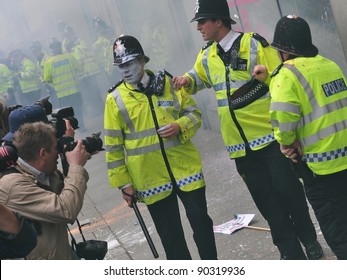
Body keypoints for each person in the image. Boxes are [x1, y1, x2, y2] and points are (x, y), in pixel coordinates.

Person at [173, 0, 322, 260]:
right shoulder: (207, 55)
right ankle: (290, 252)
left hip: (271, 139)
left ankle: (309, 240)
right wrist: (186, 80)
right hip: (240, 148)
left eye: (203, 21)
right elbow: (198, 78)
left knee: (290, 193)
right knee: (268, 204)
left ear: (218, 21)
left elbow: (282, 77)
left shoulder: (254, 44)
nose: (198, 27)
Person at [104, 35, 217, 260]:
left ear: (143, 61)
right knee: (171, 239)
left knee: (202, 225)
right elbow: (113, 147)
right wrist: (124, 184)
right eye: (121, 66)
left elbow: (194, 114)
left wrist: (179, 125)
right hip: (150, 178)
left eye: (130, 63)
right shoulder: (114, 99)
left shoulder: (169, 84)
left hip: (186, 170)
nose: (125, 70)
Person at [253, 15, 347, 260]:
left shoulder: (286, 74)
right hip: (344, 158)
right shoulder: (330, 64)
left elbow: (283, 121)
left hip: (319, 167)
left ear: (283, 50)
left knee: (338, 231)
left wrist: (286, 144)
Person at [0, 116, 90, 259]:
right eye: (56, 148)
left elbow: (67, 194)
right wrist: (76, 166)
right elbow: (66, 210)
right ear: (43, 153)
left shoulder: (43, 173)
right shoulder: (13, 185)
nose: (59, 152)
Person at [43, 37, 86, 130]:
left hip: (62, 93)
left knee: (67, 112)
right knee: (78, 109)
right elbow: (79, 68)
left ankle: (72, 127)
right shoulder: (69, 56)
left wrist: (55, 82)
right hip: (74, 89)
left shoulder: (49, 62)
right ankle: (82, 125)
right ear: (60, 46)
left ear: (51, 49)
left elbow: (46, 78)